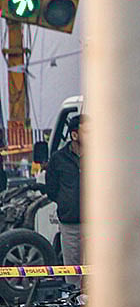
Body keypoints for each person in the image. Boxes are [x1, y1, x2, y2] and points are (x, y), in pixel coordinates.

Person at [45, 114, 83, 286]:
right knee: (72, 271)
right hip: (70, 223)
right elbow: (51, 189)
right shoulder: (58, 159)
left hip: (98, 223)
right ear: (74, 135)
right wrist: (66, 203)